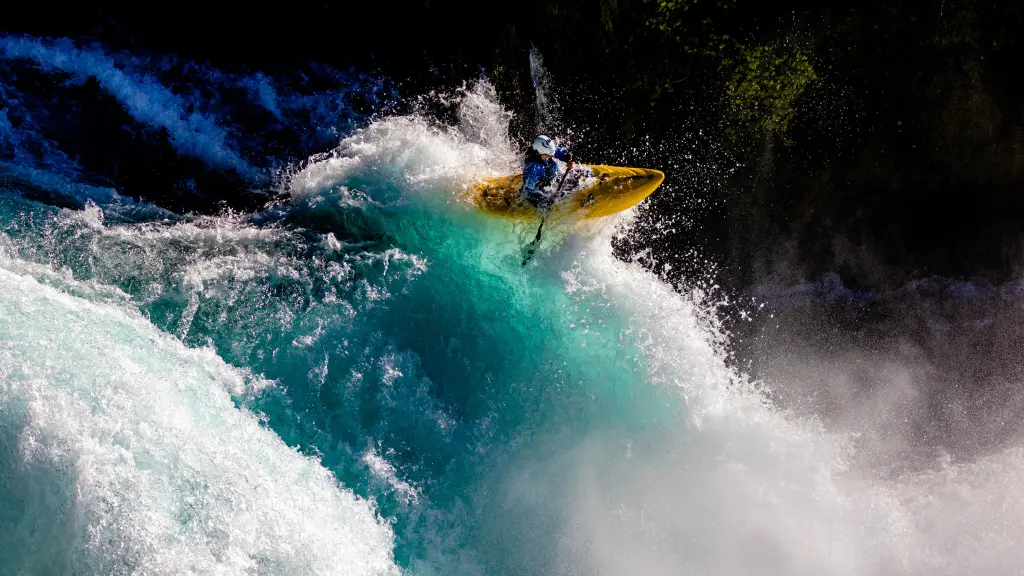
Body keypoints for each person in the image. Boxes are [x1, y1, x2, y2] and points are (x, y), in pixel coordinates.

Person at [521, 135, 574, 210]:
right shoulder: (532, 169)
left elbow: (557, 152)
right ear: (538, 153)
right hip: (540, 186)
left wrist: (567, 158)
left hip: (551, 179)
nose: (550, 156)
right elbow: (528, 192)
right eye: (548, 155)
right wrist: (545, 201)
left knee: (554, 167)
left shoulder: (544, 152)